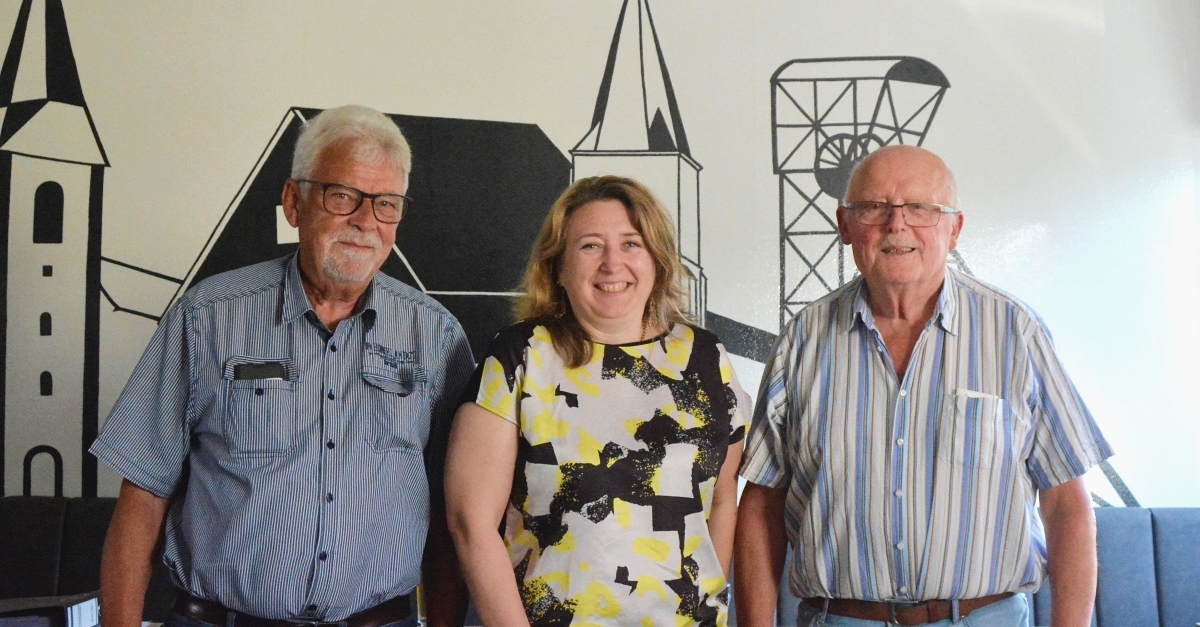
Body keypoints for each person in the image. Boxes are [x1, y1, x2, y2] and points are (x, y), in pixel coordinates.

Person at [91, 105, 474, 627]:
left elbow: (453, 517)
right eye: (343, 196)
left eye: (386, 204)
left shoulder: (438, 337)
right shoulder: (208, 317)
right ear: (294, 202)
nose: (366, 222)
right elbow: (142, 494)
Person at [734, 145, 1112, 627]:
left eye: (921, 209)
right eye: (874, 207)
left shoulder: (1015, 333)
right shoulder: (803, 339)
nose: (898, 225)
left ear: (954, 229)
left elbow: (1065, 504)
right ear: (845, 225)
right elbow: (763, 502)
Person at [444, 176, 747, 627]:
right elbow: (470, 522)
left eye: (631, 244)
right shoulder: (522, 355)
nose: (612, 264)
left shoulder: (706, 359)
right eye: (590, 246)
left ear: (657, 262)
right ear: (559, 268)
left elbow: (721, 502)